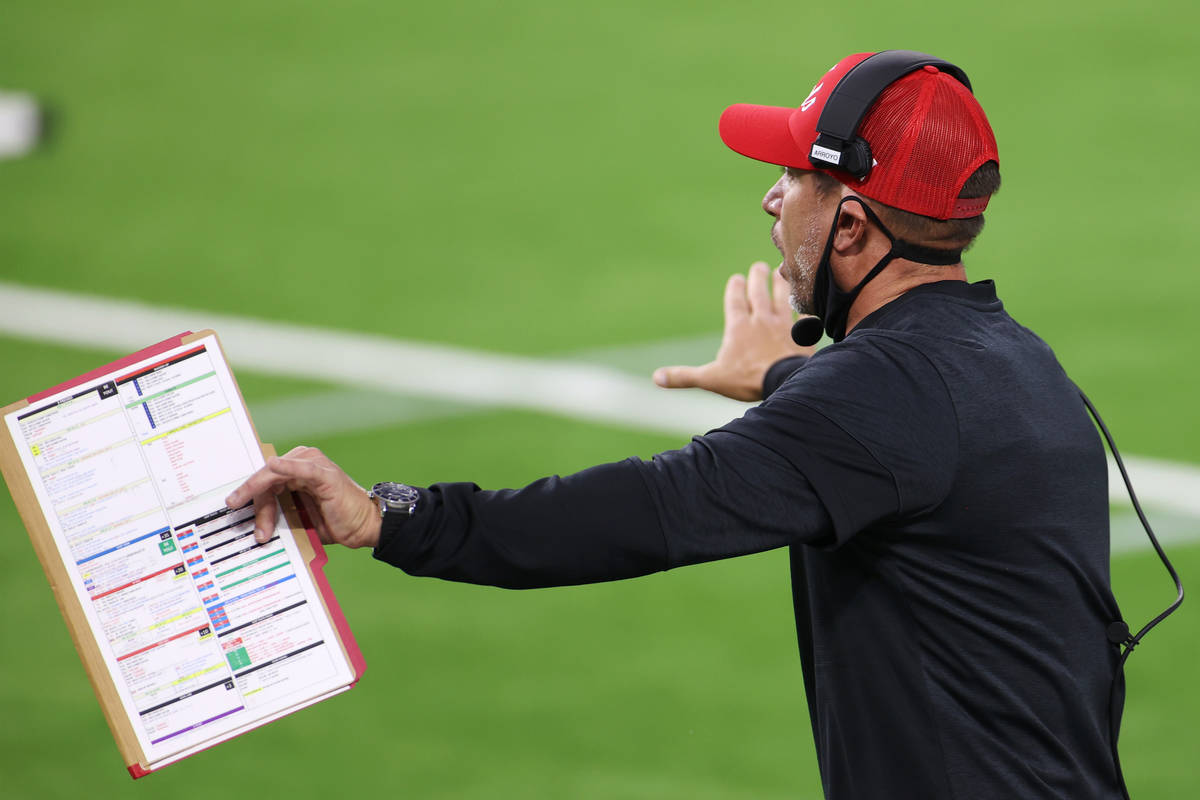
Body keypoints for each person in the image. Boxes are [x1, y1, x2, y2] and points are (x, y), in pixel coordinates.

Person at [227, 51, 1126, 799]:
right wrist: (784, 378)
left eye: (793, 179)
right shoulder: (1010, 357)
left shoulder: (876, 401)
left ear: (850, 226)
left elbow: (646, 512)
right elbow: (905, 442)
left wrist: (390, 516)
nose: (772, 202)